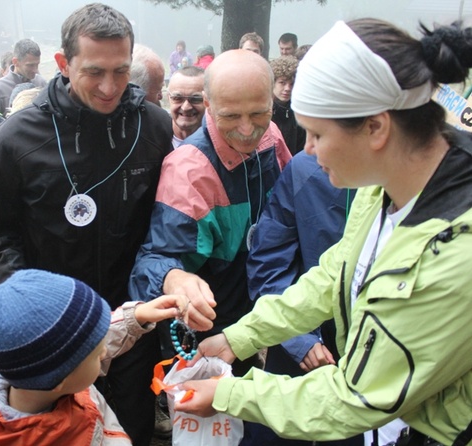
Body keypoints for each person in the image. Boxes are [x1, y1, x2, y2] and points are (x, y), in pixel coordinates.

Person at [175, 18, 472, 446]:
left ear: (376, 127)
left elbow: (356, 397)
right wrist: (240, 338)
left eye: (316, 133)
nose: (307, 150)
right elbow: (335, 273)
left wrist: (229, 392)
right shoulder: (381, 189)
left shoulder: (454, 253)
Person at [0, 4, 173, 445]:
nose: (110, 87)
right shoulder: (19, 135)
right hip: (56, 332)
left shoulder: (155, 127)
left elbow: (165, 225)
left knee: (132, 431)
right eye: (94, 72)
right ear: (63, 64)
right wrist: (31, 306)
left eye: (122, 71)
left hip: (131, 321)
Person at [129, 49, 291, 377]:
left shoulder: (272, 137)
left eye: (259, 113)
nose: (247, 130)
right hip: (210, 323)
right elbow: (154, 260)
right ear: (208, 102)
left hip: (266, 311)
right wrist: (174, 278)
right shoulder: (189, 169)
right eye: (230, 116)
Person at [0, 269, 187, 445]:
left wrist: (138, 315)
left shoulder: (19, 365)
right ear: (60, 378)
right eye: (95, 354)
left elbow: (77, 344)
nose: (103, 353)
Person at [245, 151, 360, 446]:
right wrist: (300, 339)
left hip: (370, 354)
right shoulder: (304, 167)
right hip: (300, 337)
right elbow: (269, 261)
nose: (309, 144)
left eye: (319, 132)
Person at [0, 38, 47, 115]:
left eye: (37, 64)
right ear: (15, 62)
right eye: (30, 65)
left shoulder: (41, 82)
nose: (35, 70)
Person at [270, 55, 306, 155]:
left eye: (292, 84)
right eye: (282, 82)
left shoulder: (298, 111)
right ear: (273, 83)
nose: (287, 88)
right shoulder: (264, 110)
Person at [167, 66, 205, 148]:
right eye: (177, 98)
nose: (186, 107)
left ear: (208, 101)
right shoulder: (154, 138)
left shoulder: (220, 143)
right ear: (168, 98)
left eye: (195, 99)